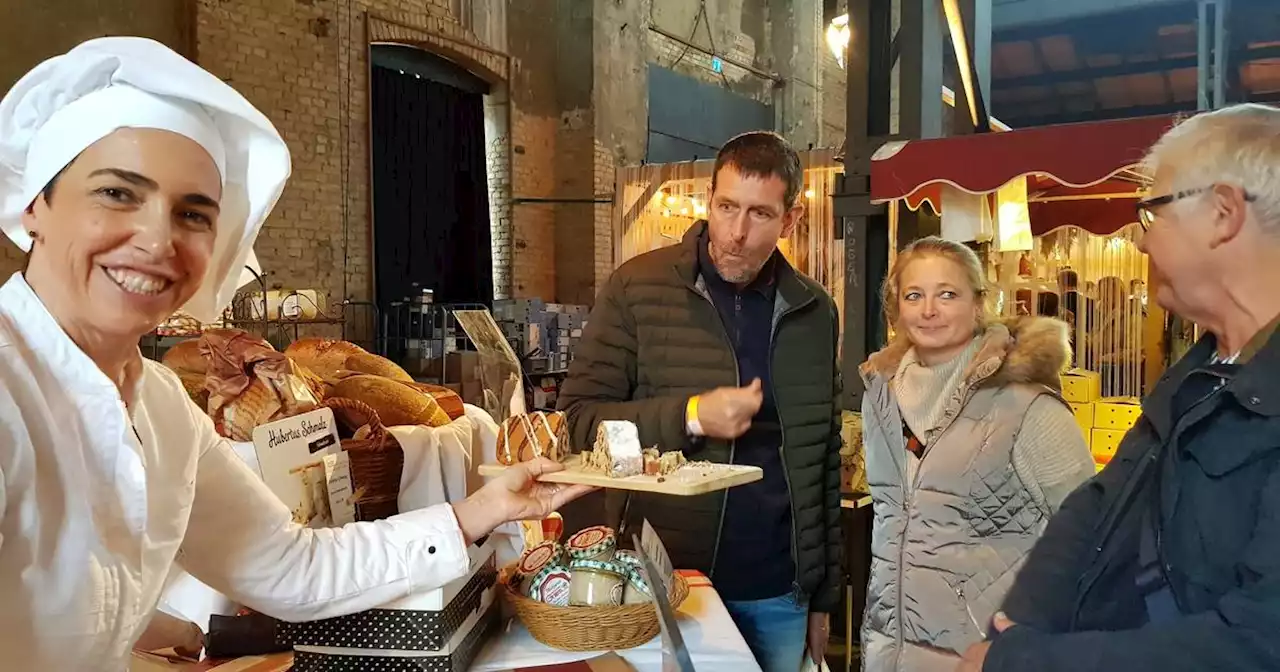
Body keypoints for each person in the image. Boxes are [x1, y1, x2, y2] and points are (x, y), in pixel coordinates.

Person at [0, 37, 592, 670]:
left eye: (194, 214)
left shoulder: (163, 410)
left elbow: (292, 565)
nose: (156, 239)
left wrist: (487, 509)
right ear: (37, 203)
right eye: (117, 193)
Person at [959, 103, 1280, 672]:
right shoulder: (1199, 371)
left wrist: (1022, 663)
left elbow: (1257, 643)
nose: (1138, 239)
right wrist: (1022, 627)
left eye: (1152, 212)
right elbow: (1098, 505)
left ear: (1223, 213)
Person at [557, 131, 842, 672]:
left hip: (779, 589)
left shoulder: (814, 312)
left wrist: (822, 596)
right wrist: (690, 416)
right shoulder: (636, 288)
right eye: (726, 207)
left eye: (759, 214)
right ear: (709, 200)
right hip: (664, 585)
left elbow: (821, 459)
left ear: (793, 218)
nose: (736, 233)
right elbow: (579, 421)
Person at [858, 237, 1095, 672]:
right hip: (891, 650)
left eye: (947, 294)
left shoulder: (1028, 408)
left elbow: (1092, 539)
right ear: (897, 308)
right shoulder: (879, 398)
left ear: (979, 303)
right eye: (915, 295)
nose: (929, 310)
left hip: (987, 654)